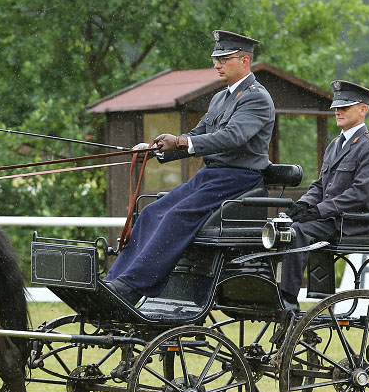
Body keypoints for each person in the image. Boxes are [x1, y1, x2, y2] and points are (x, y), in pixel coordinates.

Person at [103, 30, 275, 306]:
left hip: (239, 179)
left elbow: (232, 137)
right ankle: (114, 281)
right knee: (150, 213)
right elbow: (198, 134)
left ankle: (132, 287)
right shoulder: (221, 98)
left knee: (176, 216)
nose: (216, 65)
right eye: (215, 59)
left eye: (223, 59)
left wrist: (181, 141)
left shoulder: (256, 98)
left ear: (244, 61)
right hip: (211, 177)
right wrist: (153, 149)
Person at [277, 80, 369, 311]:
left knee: (298, 231)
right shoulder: (336, 143)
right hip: (332, 219)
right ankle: (274, 289)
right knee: (283, 227)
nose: (337, 111)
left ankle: (287, 298)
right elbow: (320, 185)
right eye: (336, 107)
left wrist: (319, 210)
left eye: (345, 107)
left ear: (363, 109)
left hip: (354, 223)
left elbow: (361, 192)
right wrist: (300, 207)